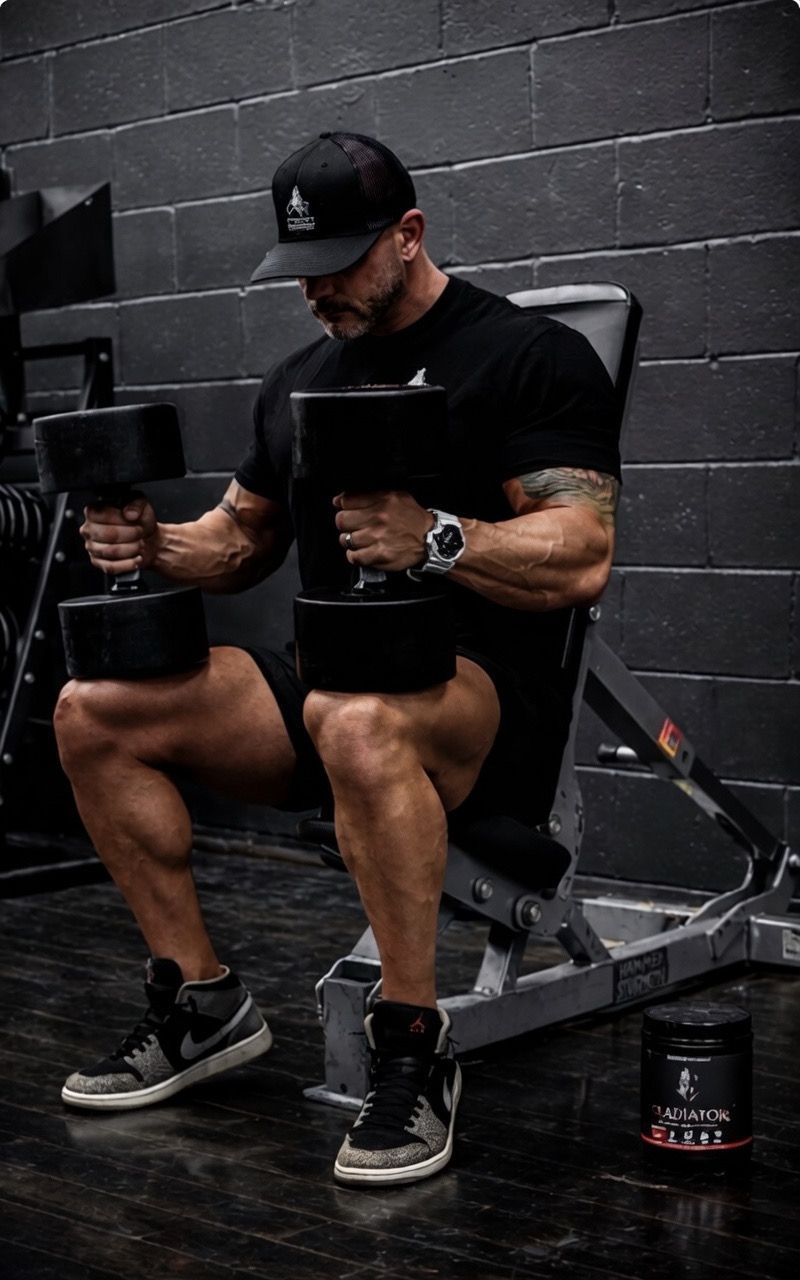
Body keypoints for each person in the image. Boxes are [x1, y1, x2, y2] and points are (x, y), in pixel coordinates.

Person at [54, 132, 621, 1187]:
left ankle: (411, 1046)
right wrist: (155, 543)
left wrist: (434, 537)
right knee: (93, 708)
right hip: (326, 686)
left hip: (473, 704)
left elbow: (581, 550)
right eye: (302, 269)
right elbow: (238, 539)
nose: (317, 290)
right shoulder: (300, 380)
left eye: (341, 263)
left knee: (357, 717)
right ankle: (203, 1001)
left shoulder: (526, 355)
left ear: (408, 235)